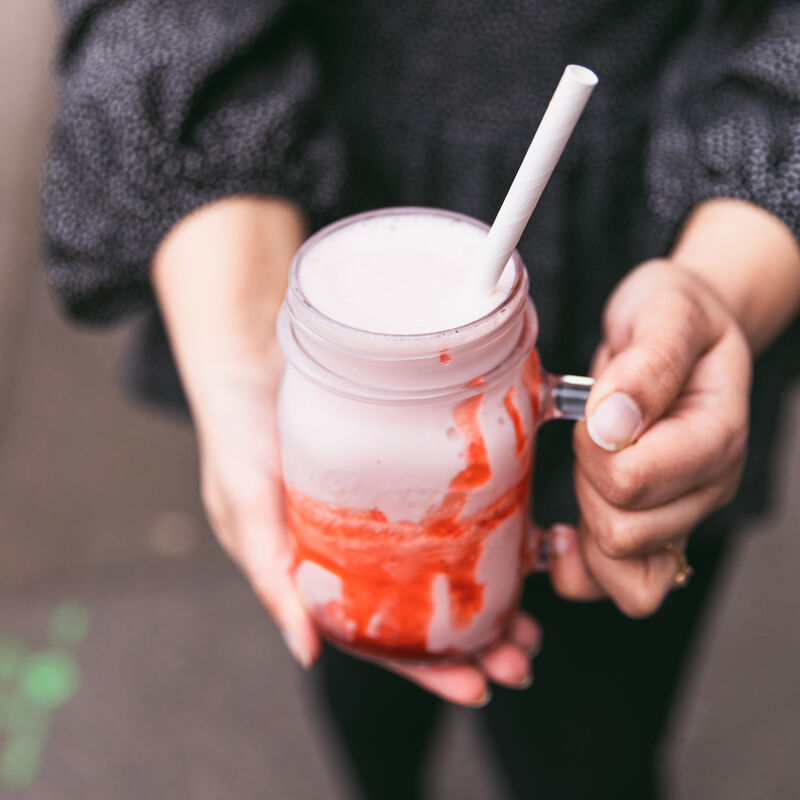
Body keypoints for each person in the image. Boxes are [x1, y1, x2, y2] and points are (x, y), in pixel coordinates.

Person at [41, 1, 800, 797]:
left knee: (591, 744)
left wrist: (719, 289)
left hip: (672, 207)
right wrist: (235, 339)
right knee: (365, 694)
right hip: (319, 175)